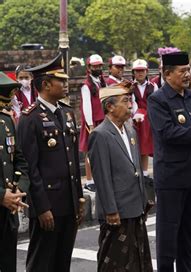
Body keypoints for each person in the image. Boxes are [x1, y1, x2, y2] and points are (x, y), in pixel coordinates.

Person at [147, 52, 191, 272]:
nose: (188, 75)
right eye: (182, 71)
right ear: (167, 74)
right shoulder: (158, 99)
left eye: (188, 70)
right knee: (169, 235)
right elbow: (168, 133)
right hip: (172, 179)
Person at [17, 53, 84, 271]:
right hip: (48, 204)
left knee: (62, 261)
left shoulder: (66, 113)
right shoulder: (31, 118)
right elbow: (30, 167)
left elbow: (73, 160)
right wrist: (41, 207)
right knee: (41, 261)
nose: (66, 85)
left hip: (68, 201)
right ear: (45, 84)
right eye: (60, 81)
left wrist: (80, 198)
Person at [88, 83, 153, 272]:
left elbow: (136, 170)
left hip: (135, 207)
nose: (131, 105)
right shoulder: (100, 134)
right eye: (125, 101)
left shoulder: (130, 130)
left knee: (137, 261)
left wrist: (143, 201)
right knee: (115, 262)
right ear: (110, 106)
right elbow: (102, 177)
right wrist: (110, 210)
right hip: (117, 210)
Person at [0, 72, 29, 272]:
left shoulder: (7, 121)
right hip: (3, 199)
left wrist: (19, 189)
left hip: (9, 208)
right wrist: (2, 195)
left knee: (9, 263)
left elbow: (20, 160)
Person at [79, 54, 107, 192]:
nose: (97, 68)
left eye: (99, 66)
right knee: (89, 152)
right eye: (95, 66)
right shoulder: (86, 85)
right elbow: (86, 106)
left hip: (102, 118)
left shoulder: (102, 82)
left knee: (102, 151)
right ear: (89, 67)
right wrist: (90, 124)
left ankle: (99, 178)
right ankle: (89, 181)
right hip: (92, 121)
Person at [130, 59, 158, 184]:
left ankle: (145, 173)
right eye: (137, 71)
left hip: (150, 118)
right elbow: (132, 102)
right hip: (135, 119)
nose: (140, 73)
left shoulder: (153, 86)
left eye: (142, 71)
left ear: (146, 71)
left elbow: (156, 102)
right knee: (136, 145)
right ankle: (136, 172)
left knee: (146, 144)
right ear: (133, 72)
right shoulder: (131, 86)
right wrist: (135, 114)